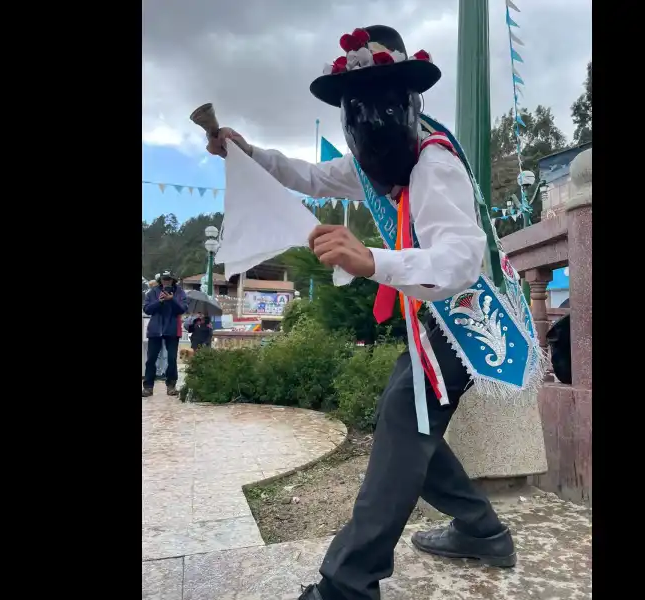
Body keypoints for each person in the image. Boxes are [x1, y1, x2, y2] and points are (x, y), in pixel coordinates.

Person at [206, 25, 537, 600]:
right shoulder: (373, 162)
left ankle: (348, 583)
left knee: (401, 427)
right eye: (355, 106)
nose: (367, 119)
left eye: (382, 102)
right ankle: (483, 531)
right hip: (437, 317)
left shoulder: (434, 163)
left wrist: (372, 259)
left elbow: (461, 259)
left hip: (470, 317)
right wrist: (248, 151)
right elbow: (309, 176)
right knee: (406, 421)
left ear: (408, 102)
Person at [142, 270, 188, 397]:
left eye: (168, 279)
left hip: (172, 329)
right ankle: (148, 387)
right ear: (160, 280)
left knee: (172, 358)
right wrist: (159, 301)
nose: (166, 281)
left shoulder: (180, 292)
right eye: (164, 279)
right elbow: (147, 309)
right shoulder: (152, 292)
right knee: (151, 359)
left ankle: (171, 385)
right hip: (155, 330)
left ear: (173, 280)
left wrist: (172, 300)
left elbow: (182, 309)